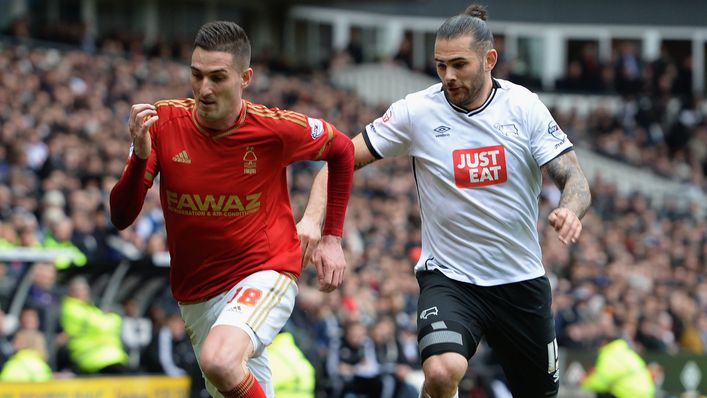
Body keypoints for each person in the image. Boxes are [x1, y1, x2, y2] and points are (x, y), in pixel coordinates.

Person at [298, 5, 591, 398]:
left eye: (459, 65)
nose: (448, 76)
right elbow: (340, 159)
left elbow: (574, 176)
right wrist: (318, 225)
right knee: (440, 370)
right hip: (450, 279)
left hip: (520, 281)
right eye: (440, 65)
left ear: (490, 60)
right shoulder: (416, 112)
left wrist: (571, 210)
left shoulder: (523, 107)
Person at [109, 21, 354, 398]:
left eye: (217, 78)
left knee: (221, 361)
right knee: (230, 374)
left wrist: (330, 235)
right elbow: (121, 217)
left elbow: (342, 150)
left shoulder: (274, 128)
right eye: (196, 75)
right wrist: (140, 159)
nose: (204, 89)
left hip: (264, 270)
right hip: (196, 296)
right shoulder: (161, 124)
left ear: (245, 78)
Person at [581, 338, 656, 398]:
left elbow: (601, 380)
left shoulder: (609, 353)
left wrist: (584, 383)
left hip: (630, 394)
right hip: (647, 393)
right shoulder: (627, 352)